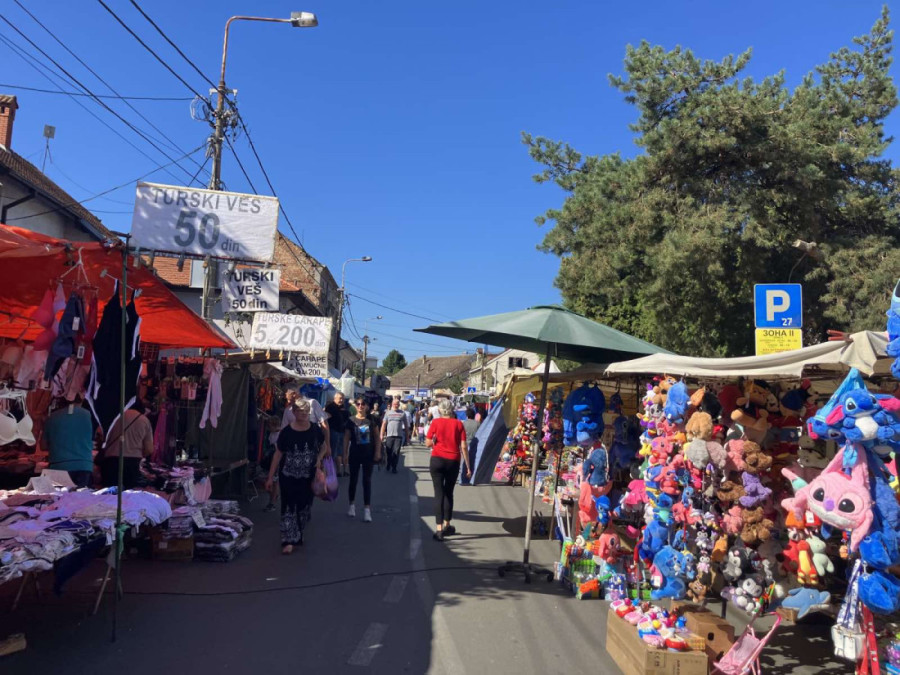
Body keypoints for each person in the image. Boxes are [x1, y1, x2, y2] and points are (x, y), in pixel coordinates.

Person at [266, 398, 328, 554]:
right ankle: (288, 540)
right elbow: (278, 454)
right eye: (300, 411)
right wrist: (270, 477)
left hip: (308, 477)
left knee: (304, 507)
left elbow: (324, 446)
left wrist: (319, 458)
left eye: (306, 411)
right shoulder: (286, 432)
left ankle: (298, 534)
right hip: (288, 475)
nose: (304, 413)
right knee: (288, 506)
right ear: (293, 412)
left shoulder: (314, 429)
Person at [426, 398, 471, 541]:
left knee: (438, 493)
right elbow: (463, 446)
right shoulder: (458, 424)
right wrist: (468, 466)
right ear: (452, 410)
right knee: (448, 493)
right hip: (453, 461)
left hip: (437, 459)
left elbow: (428, 443)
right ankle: (447, 525)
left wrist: (435, 443)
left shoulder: (435, 422)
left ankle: (439, 530)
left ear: (440, 410)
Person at [44, 395, 94, 488]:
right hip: (83, 465)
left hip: (58, 466)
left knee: (58, 496)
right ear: (82, 399)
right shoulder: (89, 415)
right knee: (83, 496)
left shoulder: (52, 417)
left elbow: (43, 446)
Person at [101, 401, 154, 489]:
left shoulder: (114, 417)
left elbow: (101, 436)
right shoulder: (144, 420)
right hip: (132, 462)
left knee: (110, 493)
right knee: (128, 494)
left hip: (111, 460)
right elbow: (149, 449)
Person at [347, 397, 381, 522]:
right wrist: (344, 454)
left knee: (367, 481)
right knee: (353, 480)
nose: (360, 406)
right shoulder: (350, 420)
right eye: (358, 404)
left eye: (363, 404)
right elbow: (346, 438)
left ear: (367, 406)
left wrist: (377, 452)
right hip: (354, 454)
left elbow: (377, 438)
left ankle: (367, 510)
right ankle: (351, 505)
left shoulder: (372, 420)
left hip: (368, 454)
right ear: (355, 406)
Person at [282, 386, 331, 455]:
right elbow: (283, 430)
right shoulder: (287, 410)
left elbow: (324, 424)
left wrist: (327, 445)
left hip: (312, 446)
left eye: (287, 396)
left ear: (294, 394)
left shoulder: (312, 403)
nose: (286, 399)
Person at [325, 392, 351, 477]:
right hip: (333, 431)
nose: (341, 400)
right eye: (340, 398)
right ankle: (330, 471)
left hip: (342, 432)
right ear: (335, 398)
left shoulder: (344, 407)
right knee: (333, 452)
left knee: (341, 451)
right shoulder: (330, 407)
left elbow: (348, 417)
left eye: (343, 398)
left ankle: (340, 471)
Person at [380, 398, 409, 474]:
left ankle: (394, 467)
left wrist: (407, 437)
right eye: (394, 404)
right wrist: (381, 435)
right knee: (388, 451)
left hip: (398, 436)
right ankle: (388, 463)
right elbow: (384, 424)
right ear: (392, 404)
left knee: (396, 452)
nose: (396, 405)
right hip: (389, 436)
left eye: (397, 404)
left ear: (399, 405)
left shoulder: (402, 413)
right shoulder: (388, 413)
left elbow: (406, 426)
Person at [460, 407, 481, 485]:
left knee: (465, 462)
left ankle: (463, 479)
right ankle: (472, 479)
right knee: (473, 462)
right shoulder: (478, 423)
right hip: (475, 444)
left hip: (464, 443)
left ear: (467, 415)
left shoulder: (463, 423)